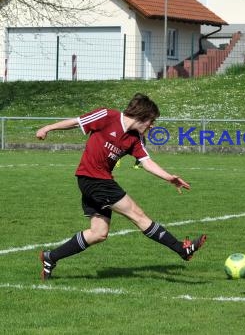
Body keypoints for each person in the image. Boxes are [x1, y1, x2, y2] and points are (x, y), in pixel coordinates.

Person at [35, 93, 206, 280]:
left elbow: (147, 162)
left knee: (98, 233)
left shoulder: (135, 138)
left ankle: (50, 258)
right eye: (151, 120)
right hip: (94, 179)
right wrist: (48, 128)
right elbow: (77, 122)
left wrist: (169, 178)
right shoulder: (107, 116)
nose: (152, 125)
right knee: (138, 215)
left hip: (96, 181)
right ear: (141, 115)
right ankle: (181, 248)